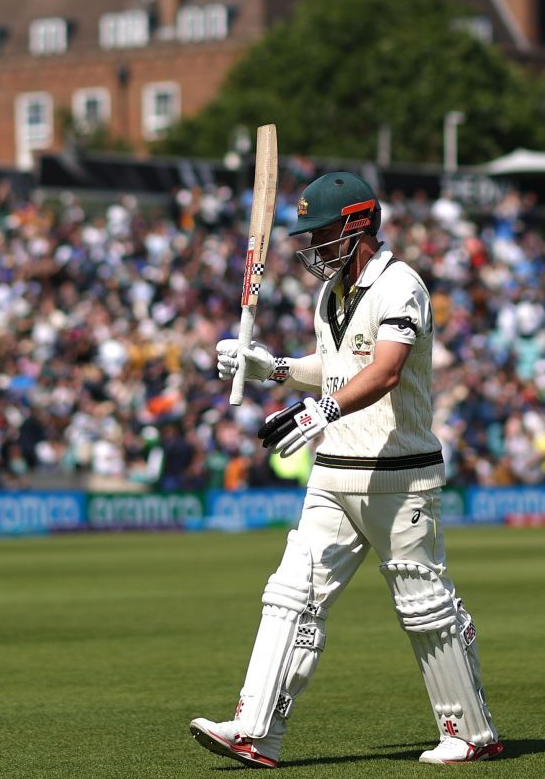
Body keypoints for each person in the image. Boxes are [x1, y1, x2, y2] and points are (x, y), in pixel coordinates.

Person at [191, 172, 503, 768]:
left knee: (425, 608)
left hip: (398, 472)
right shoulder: (332, 290)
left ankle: (469, 734)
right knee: (290, 595)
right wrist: (273, 367)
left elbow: (384, 371)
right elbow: (335, 366)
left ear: (357, 224)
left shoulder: (401, 286)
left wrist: (323, 408)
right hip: (333, 472)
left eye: (322, 231)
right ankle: (257, 731)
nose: (312, 244)